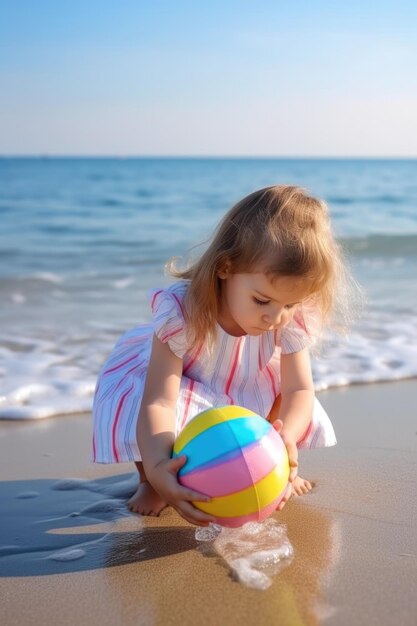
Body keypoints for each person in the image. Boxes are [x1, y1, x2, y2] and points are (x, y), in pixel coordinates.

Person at [92, 185, 347, 526]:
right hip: (182, 384)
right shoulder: (183, 312)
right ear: (226, 267)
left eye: (290, 304)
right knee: (138, 400)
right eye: (262, 301)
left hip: (244, 382)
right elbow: (159, 402)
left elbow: (300, 390)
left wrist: (283, 443)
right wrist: (155, 471)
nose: (276, 318)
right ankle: (152, 481)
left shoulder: (289, 317)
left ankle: (269, 469)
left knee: (286, 398)